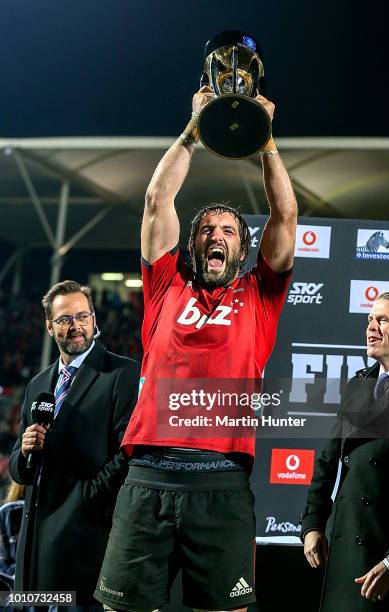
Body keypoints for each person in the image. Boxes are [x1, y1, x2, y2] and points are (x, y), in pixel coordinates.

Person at [94, 85, 297, 612]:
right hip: (147, 478)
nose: (217, 235)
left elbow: (286, 218)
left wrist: (267, 141)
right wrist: (194, 128)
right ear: (191, 243)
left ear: (242, 246)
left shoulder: (259, 295)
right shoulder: (166, 285)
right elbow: (157, 201)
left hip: (222, 484)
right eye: (207, 229)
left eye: (229, 230)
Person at [9, 280, 140, 610]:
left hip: (87, 539)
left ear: (94, 320)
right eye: (66, 319)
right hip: (35, 542)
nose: (76, 326)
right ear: (50, 326)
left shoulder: (121, 373)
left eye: (83, 316)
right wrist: (25, 452)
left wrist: (87, 498)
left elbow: (130, 452)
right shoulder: (39, 384)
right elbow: (18, 468)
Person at [301, 291, 389, 611]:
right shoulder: (358, 383)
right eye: (369, 320)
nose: (371, 327)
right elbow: (326, 460)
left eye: (383, 320)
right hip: (346, 550)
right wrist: (312, 524)